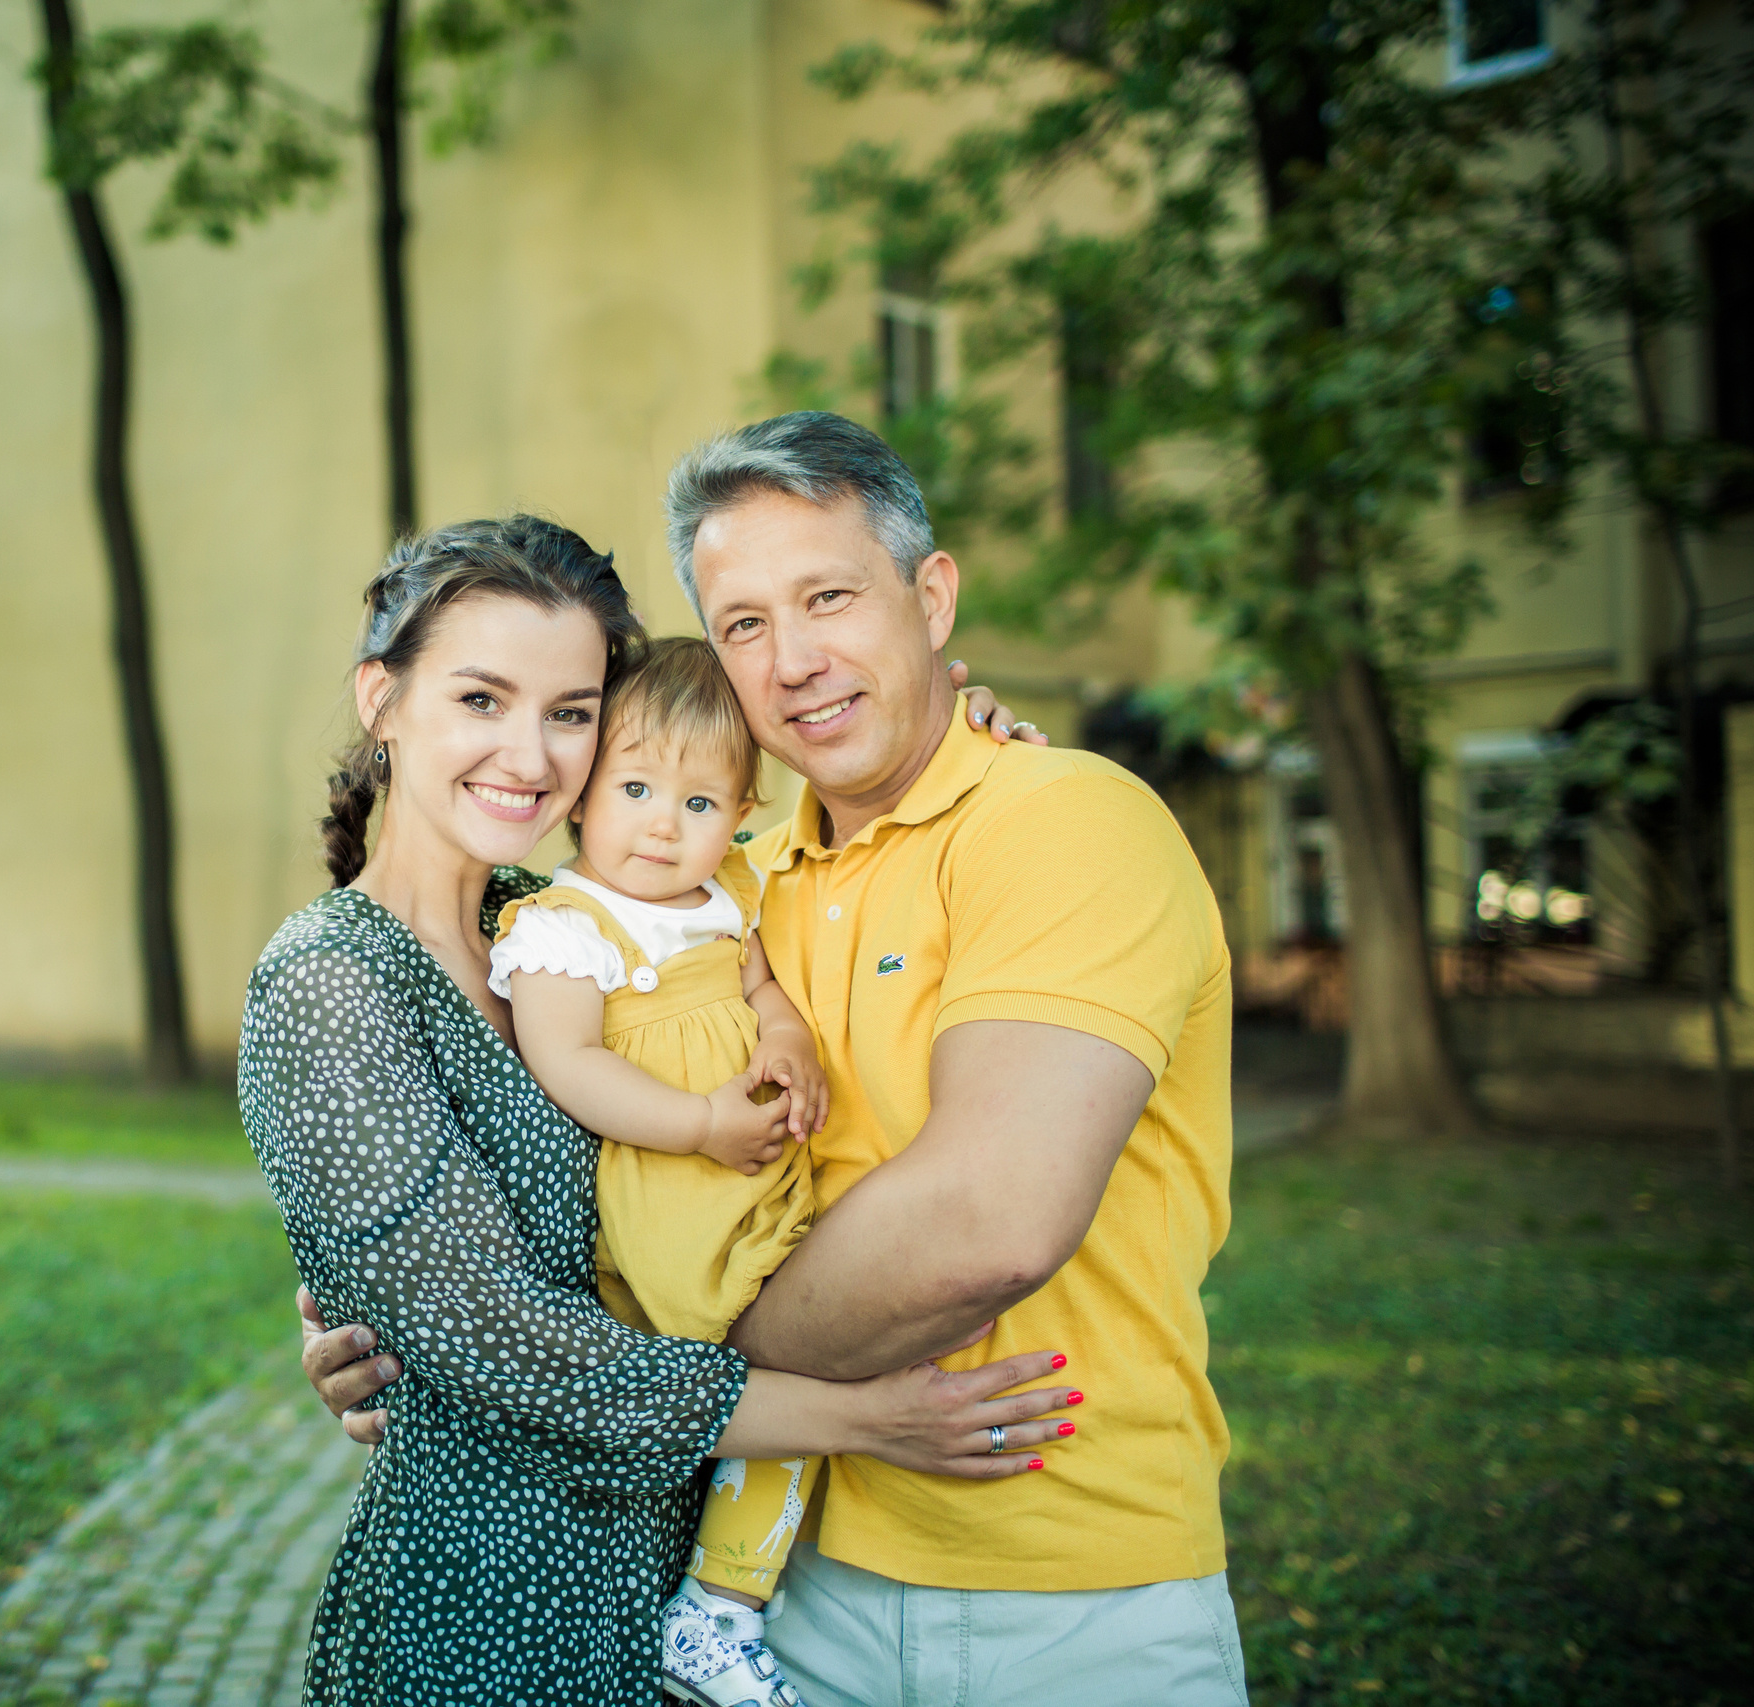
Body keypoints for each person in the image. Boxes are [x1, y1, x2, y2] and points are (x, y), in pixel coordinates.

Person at [301, 414, 1248, 1707]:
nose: (794, 659)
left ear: (932, 595)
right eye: (744, 623)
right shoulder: (722, 869)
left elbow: (989, 1221)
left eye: (830, 597)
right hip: (779, 1584)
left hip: (1056, 1577)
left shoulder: (1060, 818)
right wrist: (395, 1314)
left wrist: (662, 1357)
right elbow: (504, 1159)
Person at [485, 634, 829, 1705]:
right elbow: (571, 1065)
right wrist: (695, 1126)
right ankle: (714, 1611)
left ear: (739, 815)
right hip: (676, 1185)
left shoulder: (728, 893)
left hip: (753, 1172)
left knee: (819, 1350)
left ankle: (723, 1601)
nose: (661, 825)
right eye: (634, 788)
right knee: (775, 1373)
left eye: (698, 803)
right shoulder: (563, 927)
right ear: (583, 796)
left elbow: (764, 988)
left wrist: (788, 1041)